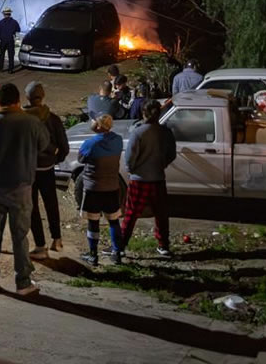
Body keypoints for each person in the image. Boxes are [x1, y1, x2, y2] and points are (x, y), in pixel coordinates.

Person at [0, 82, 50, 295]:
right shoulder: (31, 122)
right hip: (22, 186)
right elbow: (44, 145)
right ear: (18, 101)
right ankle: (23, 282)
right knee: (20, 235)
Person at [120, 100, 178, 257]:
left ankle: (120, 246)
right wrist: (162, 165)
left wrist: (132, 170)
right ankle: (163, 245)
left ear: (143, 113)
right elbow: (172, 154)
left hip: (139, 179)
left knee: (131, 214)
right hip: (158, 178)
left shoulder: (138, 132)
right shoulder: (166, 132)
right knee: (161, 214)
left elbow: (130, 158)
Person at [23, 81, 69, 259]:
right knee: (51, 204)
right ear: (42, 97)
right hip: (48, 168)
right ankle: (57, 239)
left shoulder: (22, 119)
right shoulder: (53, 118)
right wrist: (56, 158)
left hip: (29, 170)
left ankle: (40, 245)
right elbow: (63, 146)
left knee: (32, 207)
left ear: (27, 97)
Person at [78, 113, 125, 266]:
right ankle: (117, 253)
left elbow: (81, 159)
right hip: (112, 186)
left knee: (93, 222)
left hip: (93, 188)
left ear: (98, 126)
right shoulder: (118, 140)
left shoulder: (89, 144)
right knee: (113, 220)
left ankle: (93, 255)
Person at [0, 7, 20, 74]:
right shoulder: (14, 22)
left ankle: (0, 68)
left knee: (2, 54)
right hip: (10, 40)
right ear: (10, 14)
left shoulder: (0, 22)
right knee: (11, 55)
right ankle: (10, 69)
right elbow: (18, 30)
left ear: (4, 14)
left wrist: (1, 37)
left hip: (3, 41)